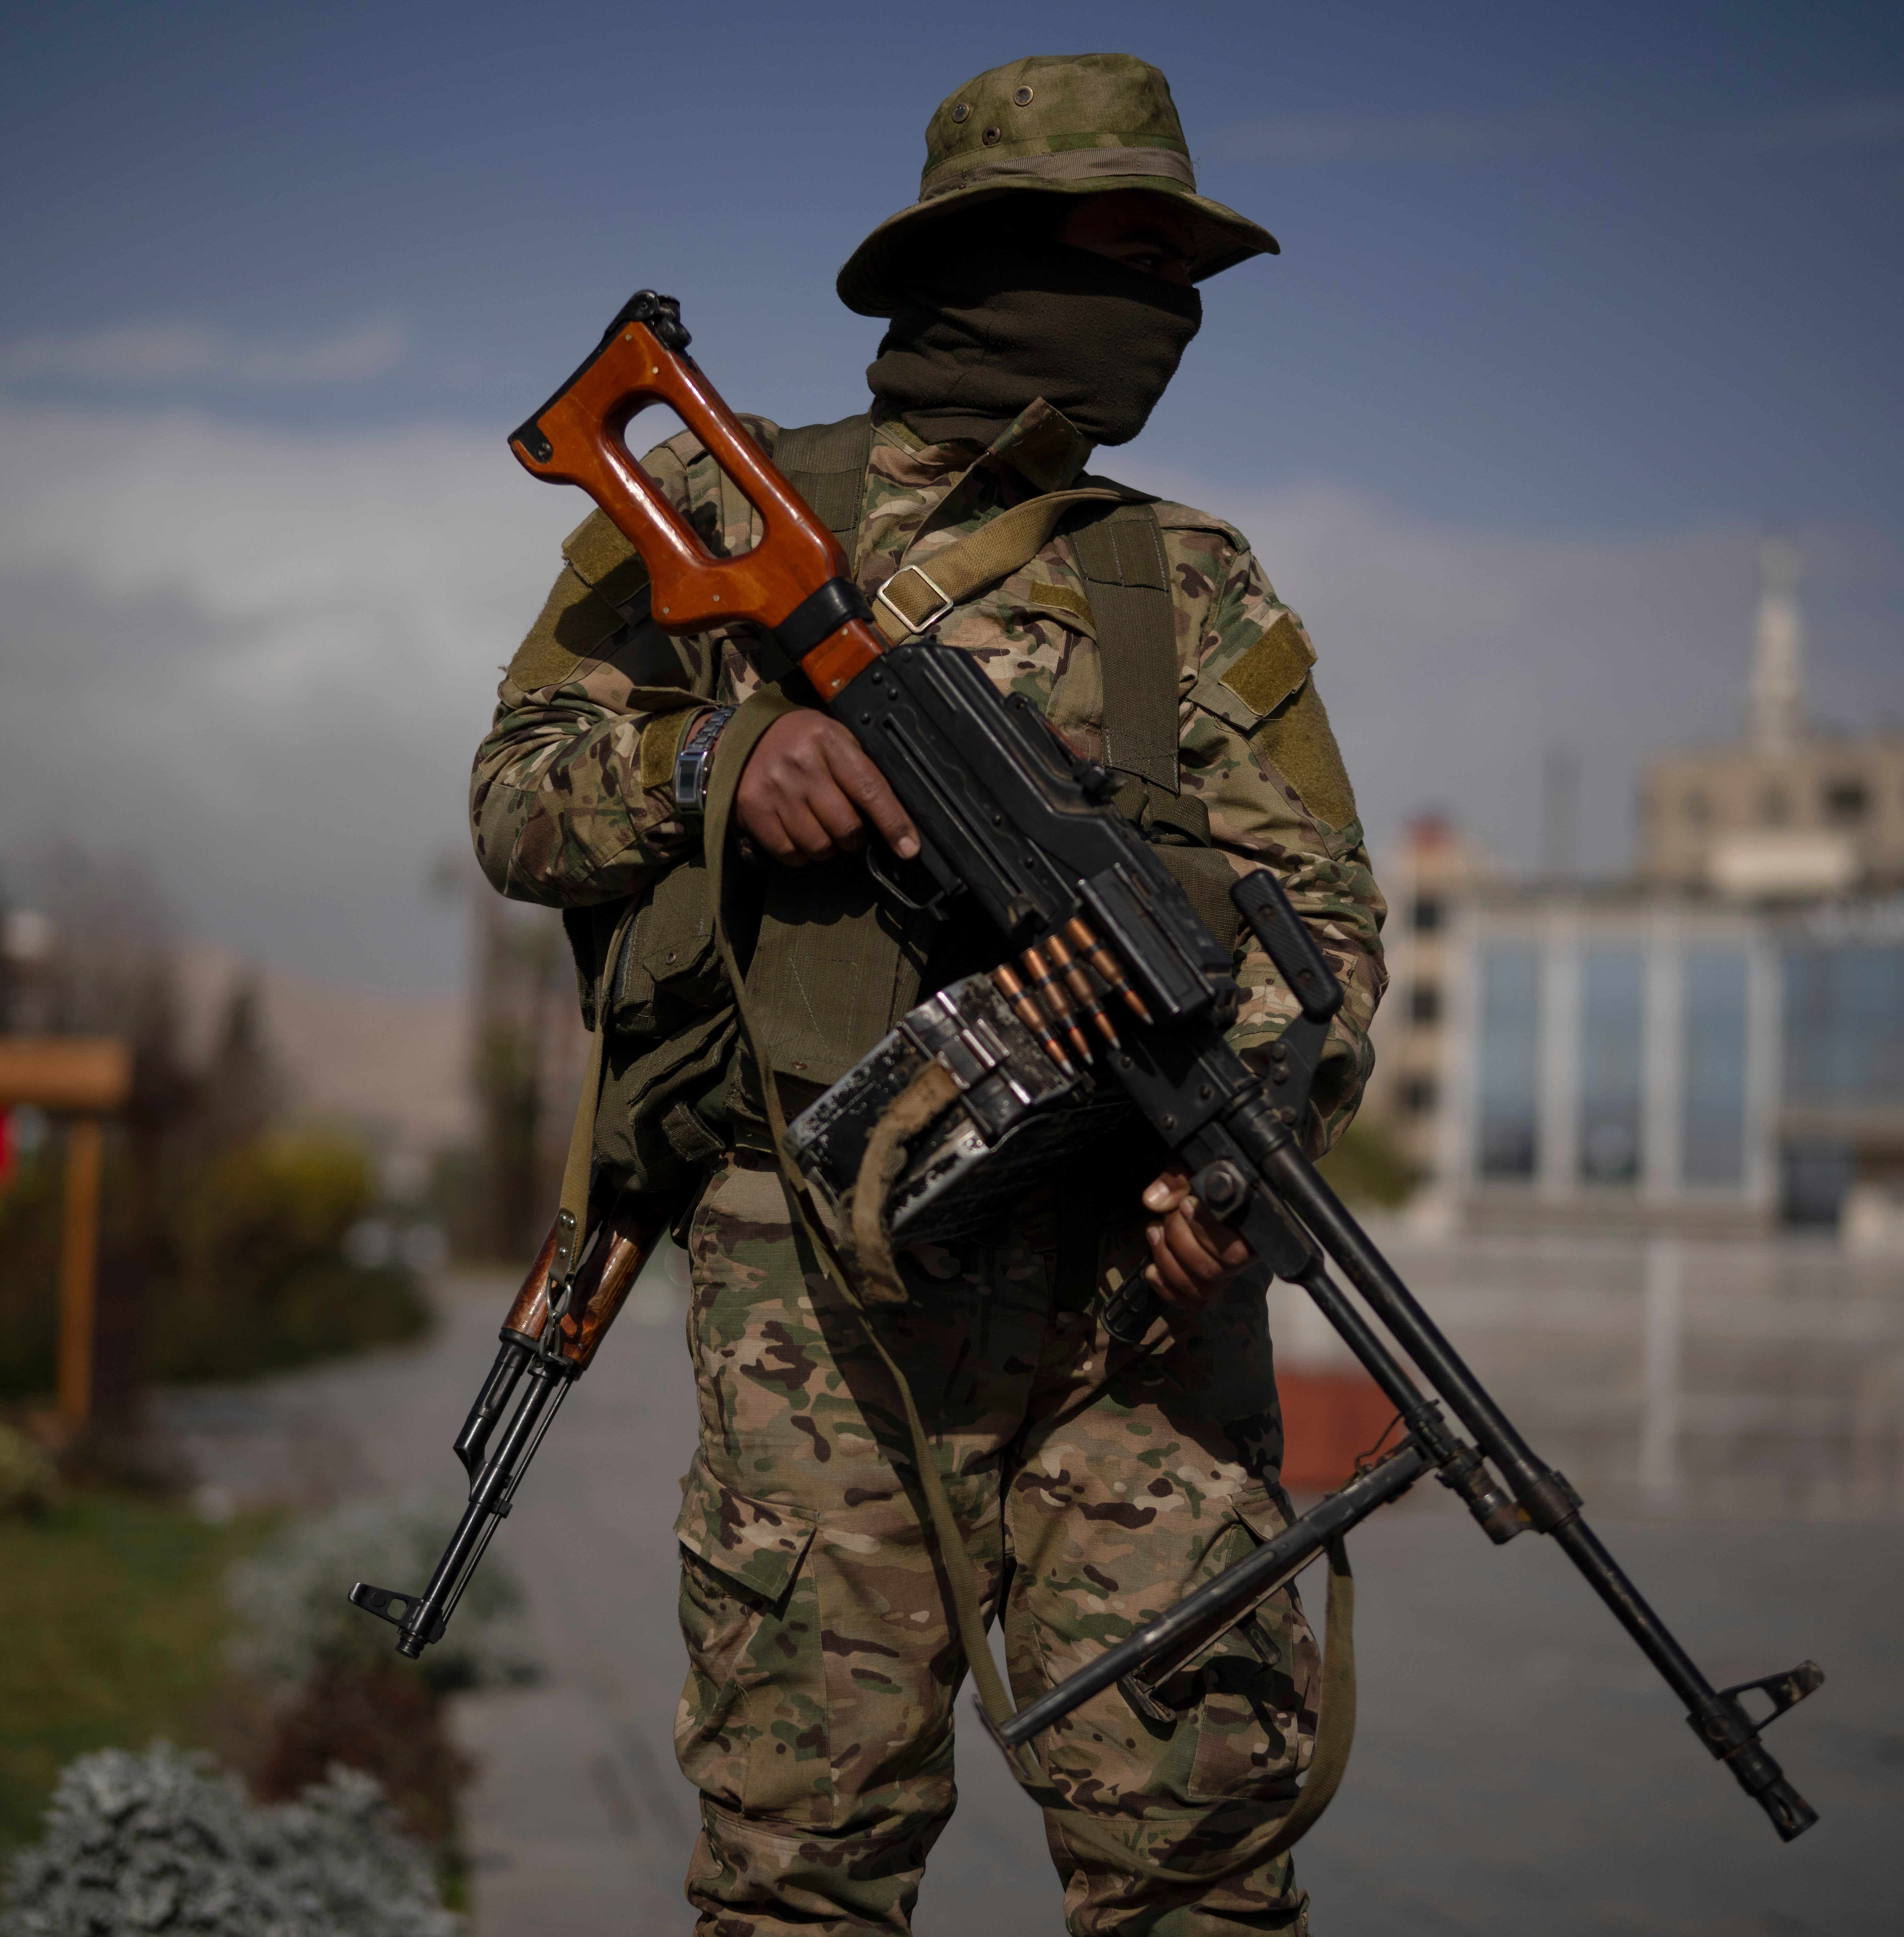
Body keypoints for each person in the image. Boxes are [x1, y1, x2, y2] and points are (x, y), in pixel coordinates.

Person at [469, 51, 1384, 1937]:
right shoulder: (731, 519)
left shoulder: (1191, 589)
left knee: (1202, 1857)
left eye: (1187, 278)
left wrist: (1240, 1161)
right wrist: (723, 775)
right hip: (814, 1309)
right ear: (995, 260)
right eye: (1135, 261)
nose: (1173, 315)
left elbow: (1326, 930)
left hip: (1128, 1337)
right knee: (801, 1863)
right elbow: (516, 799)